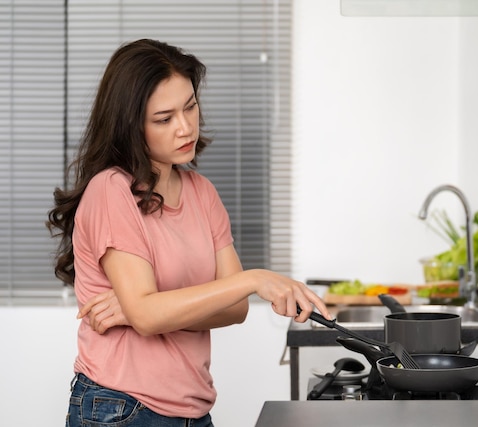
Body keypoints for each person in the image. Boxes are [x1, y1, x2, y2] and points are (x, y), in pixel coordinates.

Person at [47, 38, 331, 427]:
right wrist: (252, 279)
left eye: (190, 106)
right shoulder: (112, 190)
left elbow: (235, 308)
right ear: (131, 125)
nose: (185, 127)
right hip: (122, 408)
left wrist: (140, 308)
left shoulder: (202, 193)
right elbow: (155, 314)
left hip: (192, 411)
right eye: (164, 119)